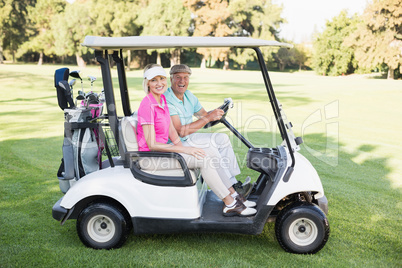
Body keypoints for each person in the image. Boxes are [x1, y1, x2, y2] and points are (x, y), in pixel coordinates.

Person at [136, 64, 256, 217]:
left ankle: (233, 195)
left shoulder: (161, 101)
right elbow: (152, 144)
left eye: (161, 79)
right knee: (204, 159)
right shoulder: (147, 105)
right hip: (150, 158)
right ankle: (229, 203)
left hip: (164, 152)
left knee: (210, 152)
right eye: (154, 80)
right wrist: (185, 149)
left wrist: (182, 147)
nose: (159, 83)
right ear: (147, 83)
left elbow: (171, 131)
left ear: (165, 80)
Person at [164, 64, 253, 197]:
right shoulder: (167, 99)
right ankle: (231, 193)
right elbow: (180, 131)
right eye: (178, 77)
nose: (182, 81)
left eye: (185, 77)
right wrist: (209, 117)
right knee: (211, 149)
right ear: (171, 79)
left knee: (222, 138)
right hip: (175, 143)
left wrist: (219, 111)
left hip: (188, 138)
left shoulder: (188, 95)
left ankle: (233, 183)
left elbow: (203, 115)